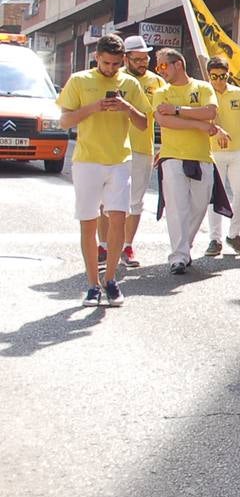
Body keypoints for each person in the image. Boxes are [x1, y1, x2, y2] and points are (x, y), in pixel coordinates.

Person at [56, 33, 150, 307]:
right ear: (96, 57)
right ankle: (92, 284)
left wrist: (126, 106)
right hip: (87, 161)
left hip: (120, 160)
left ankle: (111, 281)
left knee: (118, 221)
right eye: (106, 63)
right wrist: (94, 107)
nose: (111, 69)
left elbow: (144, 123)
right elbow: (64, 121)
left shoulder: (130, 83)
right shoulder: (79, 80)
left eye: (116, 64)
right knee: (88, 223)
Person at [151, 49, 223, 275]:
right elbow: (164, 121)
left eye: (163, 66)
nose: (160, 71)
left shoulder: (202, 87)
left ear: (178, 65)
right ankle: (179, 256)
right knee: (176, 207)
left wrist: (177, 110)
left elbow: (210, 112)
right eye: (158, 67)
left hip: (202, 156)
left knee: (199, 206)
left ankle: (184, 247)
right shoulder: (161, 91)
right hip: (172, 156)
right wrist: (198, 125)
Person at [112, 35, 164, 269]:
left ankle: (127, 246)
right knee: (112, 200)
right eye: (138, 59)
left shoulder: (156, 81)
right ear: (126, 58)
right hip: (114, 147)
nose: (143, 63)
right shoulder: (115, 78)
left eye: (146, 58)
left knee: (136, 201)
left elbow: (163, 116)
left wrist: (163, 146)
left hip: (143, 148)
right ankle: (107, 244)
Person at [205, 57, 240, 258]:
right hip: (213, 152)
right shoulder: (205, 92)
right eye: (214, 76)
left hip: (238, 151)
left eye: (223, 76)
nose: (219, 81)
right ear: (209, 75)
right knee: (215, 197)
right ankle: (215, 238)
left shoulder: (238, 93)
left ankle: (234, 234)